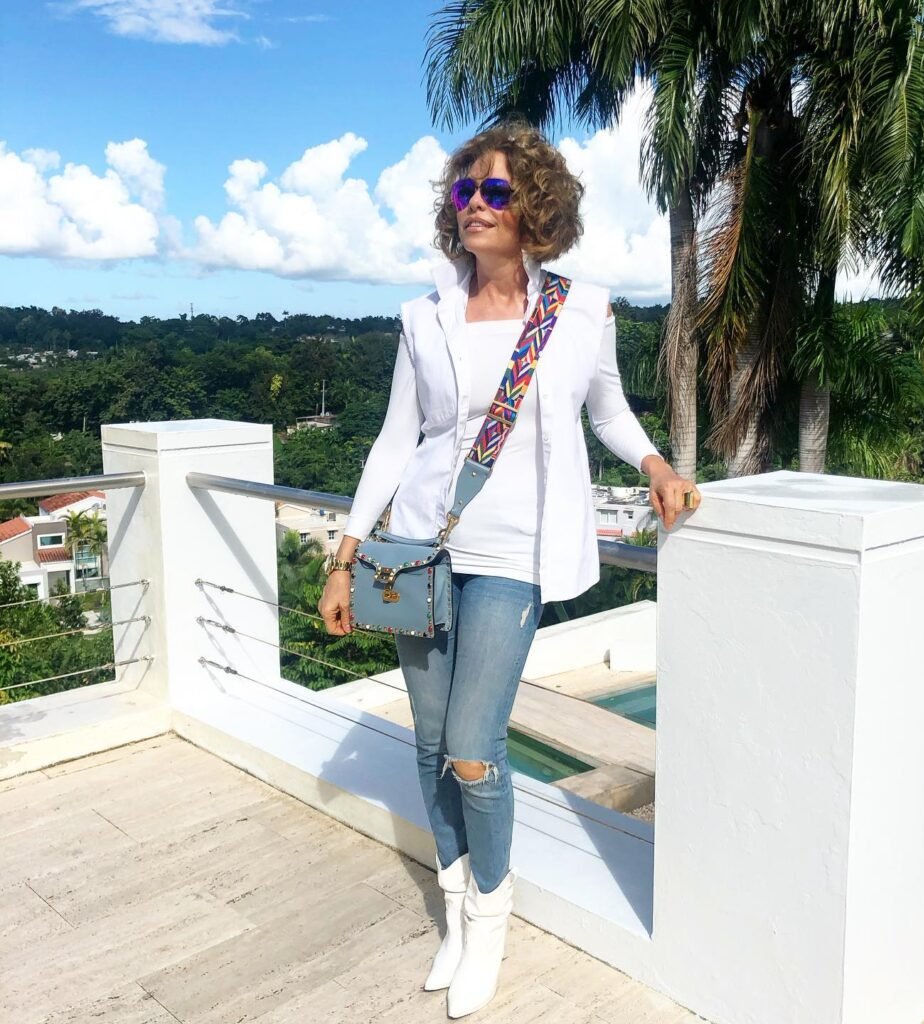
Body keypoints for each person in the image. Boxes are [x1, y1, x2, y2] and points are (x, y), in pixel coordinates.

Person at [318, 118, 700, 1018]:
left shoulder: (580, 309)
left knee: (473, 750)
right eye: (465, 190)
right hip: (418, 548)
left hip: (515, 558)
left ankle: (491, 915)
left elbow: (609, 412)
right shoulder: (424, 316)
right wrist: (346, 554)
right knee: (425, 744)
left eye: (496, 191)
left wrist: (654, 466)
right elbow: (392, 443)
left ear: (535, 207)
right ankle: (455, 909)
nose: (477, 205)